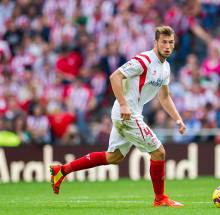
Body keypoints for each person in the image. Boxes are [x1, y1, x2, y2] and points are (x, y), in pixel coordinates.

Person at [50, 25, 186, 207]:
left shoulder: (166, 67)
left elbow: (164, 96)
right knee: (159, 152)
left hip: (130, 113)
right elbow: (115, 76)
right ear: (156, 43)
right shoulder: (144, 60)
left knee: (114, 157)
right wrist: (123, 104)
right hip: (127, 114)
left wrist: (178, 119)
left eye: (171, 42)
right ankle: (160, 198)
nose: (168, 46)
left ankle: (62, 170)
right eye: (164, 42)